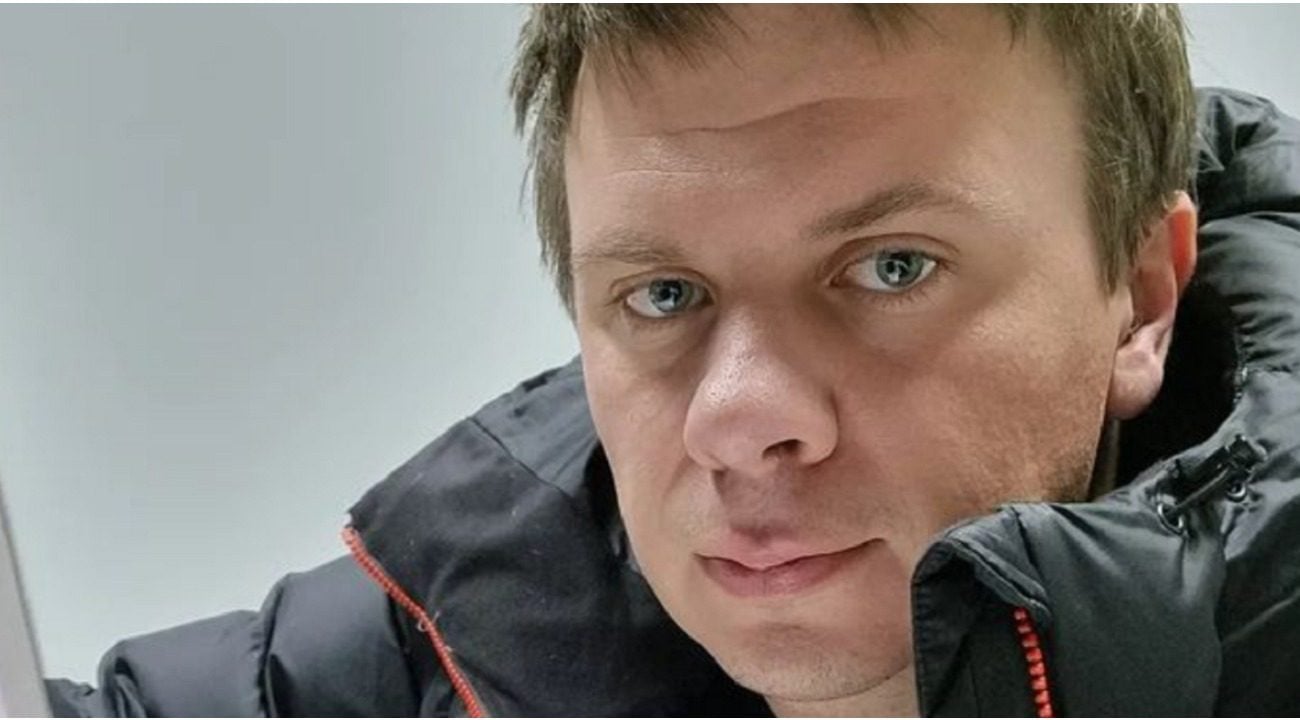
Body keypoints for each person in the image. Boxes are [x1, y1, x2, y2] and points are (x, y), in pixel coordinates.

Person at [47, 4, 1300, 716]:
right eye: (663, 294)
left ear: (1140, 299)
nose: (738, 416)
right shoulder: (439, 649)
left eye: (890, 268)